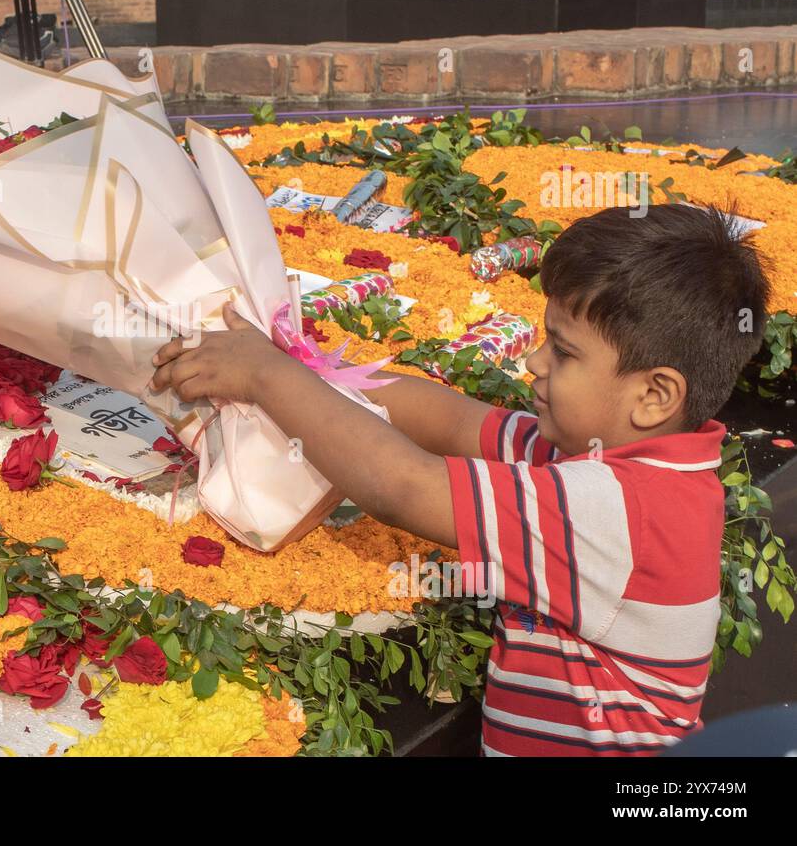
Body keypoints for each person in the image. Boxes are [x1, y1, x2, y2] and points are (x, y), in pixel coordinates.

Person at [150, 204, 770, 756]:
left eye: (563, 351)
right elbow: (453, 419)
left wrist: (266, 379)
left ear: (654, 395)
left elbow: (402, 487)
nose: (533, 361)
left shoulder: (619, 507)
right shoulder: (610, 458)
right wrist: (312, 375)